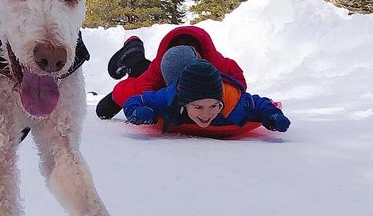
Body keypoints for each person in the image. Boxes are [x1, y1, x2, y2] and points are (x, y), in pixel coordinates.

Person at [95, 26, 289, 135]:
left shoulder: (220, 73)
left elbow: (247, 95)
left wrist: (270, 114)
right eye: (199, 108)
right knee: (106, 107)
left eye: (213, 106)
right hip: (161, 72)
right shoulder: (163, 85)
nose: (206, 114)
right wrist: (135, 109)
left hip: (203, 83)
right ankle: (133, 52)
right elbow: (138, 96)